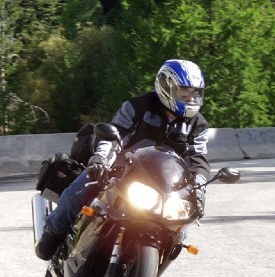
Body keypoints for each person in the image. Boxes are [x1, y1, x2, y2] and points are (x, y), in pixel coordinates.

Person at [35, 59, 210, 261]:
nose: (191, 97)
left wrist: (199, 191)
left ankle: (143, 268)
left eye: (195, 92)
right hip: (122, 170)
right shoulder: (137, 107)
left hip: (162, 184)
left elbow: (197, 159)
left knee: (181, 228)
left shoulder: (198, 124)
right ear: (166, 86)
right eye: (185, 92)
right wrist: (100, 160)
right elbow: (114, 136)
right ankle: (53, 231)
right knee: (85, 184)